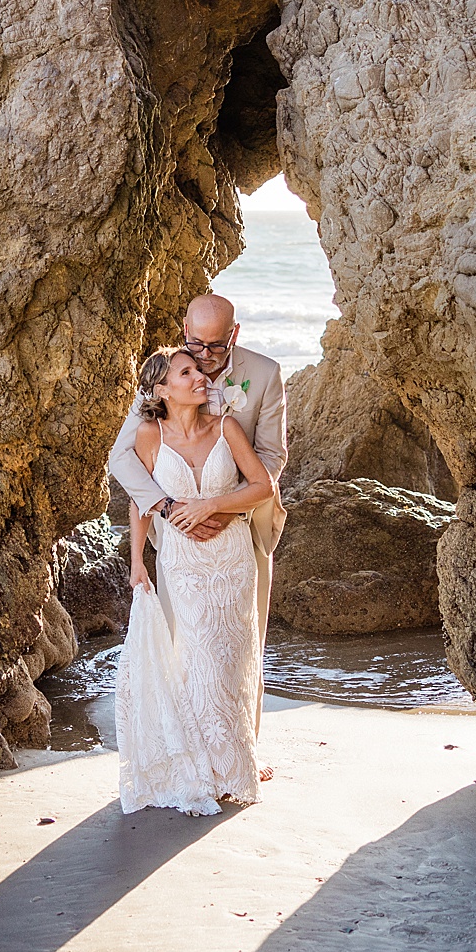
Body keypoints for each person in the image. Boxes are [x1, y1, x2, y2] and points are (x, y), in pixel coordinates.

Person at [114, 344, 275, 814]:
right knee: (197, 658)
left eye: (199, 370)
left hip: (232, 560)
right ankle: (203, 765)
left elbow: (262, 485)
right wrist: (138, 562)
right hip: (182, 563)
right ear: (162, 389)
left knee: (232, 657)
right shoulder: (147, 435)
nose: (200, 377)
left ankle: (234, 763)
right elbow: (138, 499)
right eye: (187, 372)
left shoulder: (225, 425)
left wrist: (213, 506)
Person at [105, 292, 288, 642]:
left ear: (234, 334)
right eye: (196, 343)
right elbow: (123, 456)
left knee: (245, 647)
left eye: (216, 346)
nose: (204, 356)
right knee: (184, 648)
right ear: (185, 329)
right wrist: (168, 507)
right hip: (179, 536)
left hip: (243, 529)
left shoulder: (266, 374)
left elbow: (271, 456)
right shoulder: (167, 373)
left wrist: (226, 509)